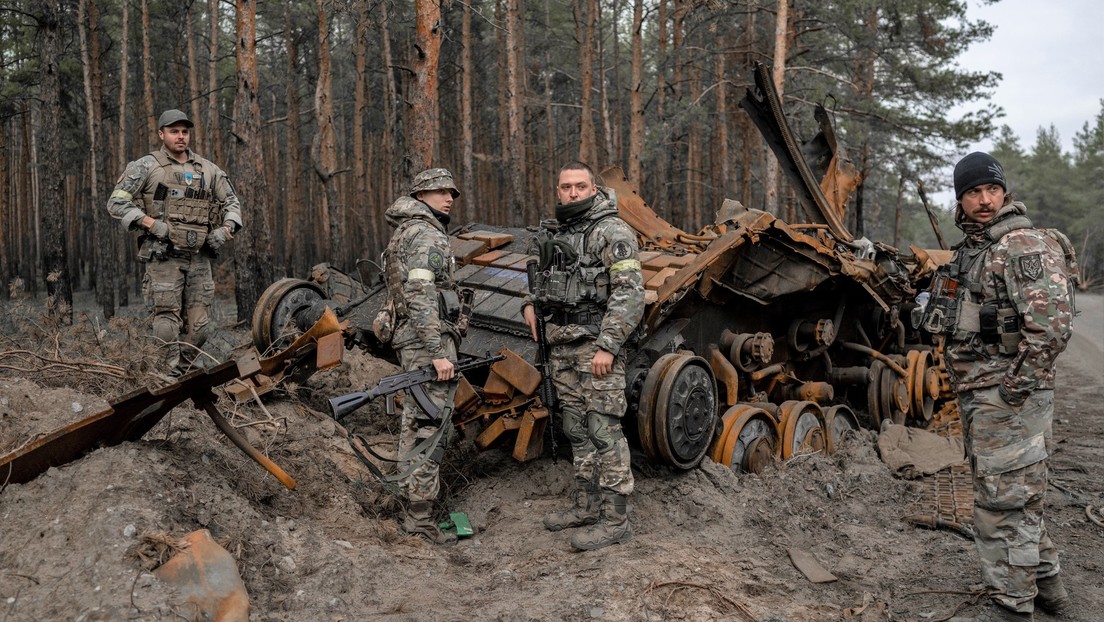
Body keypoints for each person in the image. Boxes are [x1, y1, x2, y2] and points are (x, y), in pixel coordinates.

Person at [924, 152, 1075, 622]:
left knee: (1000, 507)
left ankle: (1011, 607)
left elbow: (1051, 329)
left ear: (1004, 193)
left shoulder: (1021, 243)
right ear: (960, 200)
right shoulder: (975, 249)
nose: (984, 200)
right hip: (985, 394)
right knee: (1017, 497)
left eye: (991, 190)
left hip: (1006, 396)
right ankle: (1052, 593)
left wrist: (1013, 390)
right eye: (973, 192)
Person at [522, 162, 645, 551]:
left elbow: (630, 293)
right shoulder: (559, 232)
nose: (572, 193)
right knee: (576, 429)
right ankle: (586, 505)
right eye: (565, 187)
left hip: (595, 346)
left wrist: (608, 345)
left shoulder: (612, 231)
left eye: (579, 186)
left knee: (603, 430)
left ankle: (615, 520)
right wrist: (528, 303)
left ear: (594, 188)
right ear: (557, 191)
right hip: (562, 345)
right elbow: (542, 277)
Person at [107, 109, 242, 377]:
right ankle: (165, 376)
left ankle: (186, 370)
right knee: (166, 322)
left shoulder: (208, 170)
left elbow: (232, 203)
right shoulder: (146, 166)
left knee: (200, 326)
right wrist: (151, 224)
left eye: (184, 131)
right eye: (173, 131)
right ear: (161, 134)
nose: (180, 136)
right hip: (164, 258)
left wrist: (225, 230)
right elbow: (116, 202)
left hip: (199, 258)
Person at [381, 167, 464, 545]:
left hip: (412, 339)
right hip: (426, 342)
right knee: (432, 424)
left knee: (414, 420)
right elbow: (419, 292)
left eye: (451, 192)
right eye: (440, 191)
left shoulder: (406, 230)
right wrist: (437, 351)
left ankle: (408, 501)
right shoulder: (426, 234)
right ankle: (420, 516)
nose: (449, 197)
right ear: (420, 196)